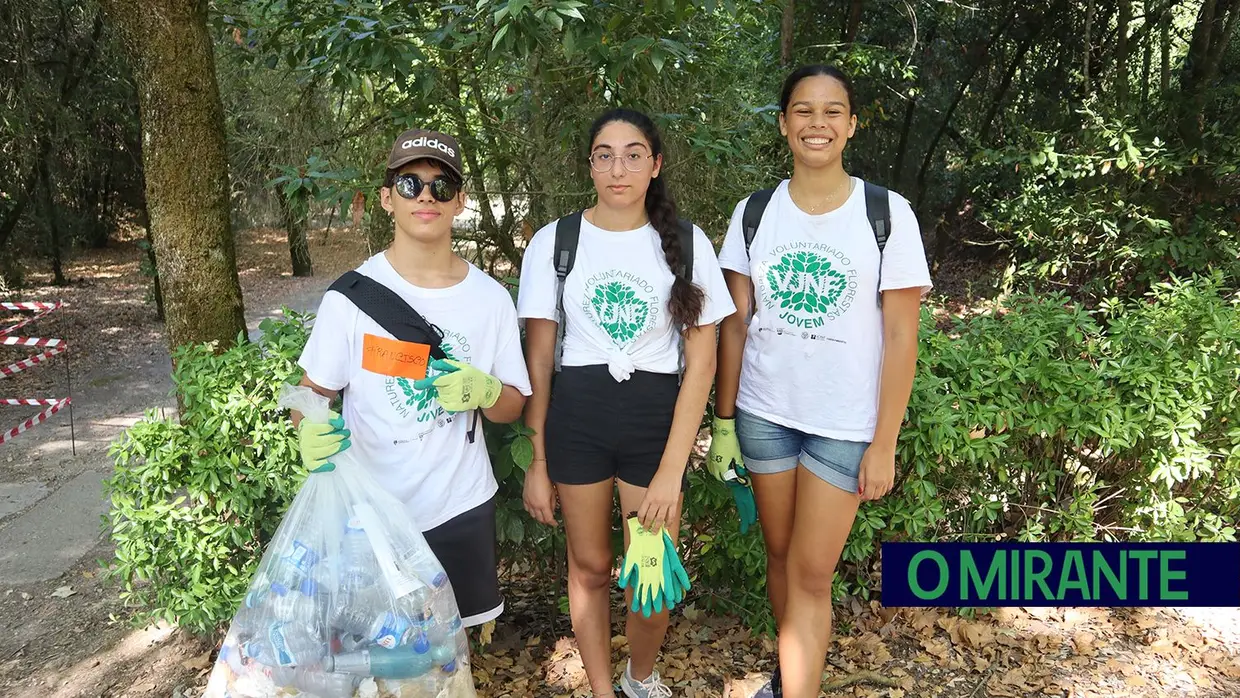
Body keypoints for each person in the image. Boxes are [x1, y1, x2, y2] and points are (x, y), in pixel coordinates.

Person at [708, 65, 932, 698]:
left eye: (833, 111)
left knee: (810, 574)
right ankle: (789, 677)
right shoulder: (754, 214)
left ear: (852, 125)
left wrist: (884, 441)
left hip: (844, 424)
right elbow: (735, 326)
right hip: (764, 412)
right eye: (803, 111)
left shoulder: (887, 214)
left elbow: (901, 337)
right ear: (783, 125)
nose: (817, 123)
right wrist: (723, 421)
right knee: (780, 558)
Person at [518, 109, 735, 698]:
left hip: (653, 423)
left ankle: (641, 678)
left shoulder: (686, 244)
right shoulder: (555, 242)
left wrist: (672, 471)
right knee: (588, 568)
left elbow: (703, 365)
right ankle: (600, 690)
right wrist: (536, 461)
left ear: (656, 165)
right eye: (605, 154)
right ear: (589, 164)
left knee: (650, 571)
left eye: (634, 153)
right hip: (578, 418)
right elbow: (539, 363)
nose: (619, 167)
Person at [291, 128, 533, 628]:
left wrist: (486, 391)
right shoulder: (350, 297)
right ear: (386, 199)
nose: (426, 196)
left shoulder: (491, 299)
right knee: (379, 653)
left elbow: (513, 405)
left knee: (453, 656)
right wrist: (308, 429)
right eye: (409, 184)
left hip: (460, 505)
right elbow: (313, 393)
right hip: (370, 513)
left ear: (460, 201)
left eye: (441, 186)